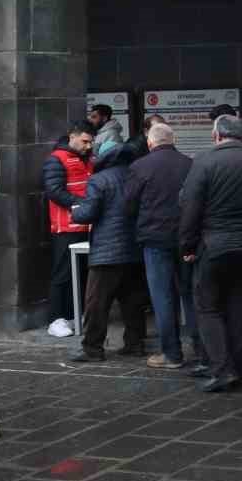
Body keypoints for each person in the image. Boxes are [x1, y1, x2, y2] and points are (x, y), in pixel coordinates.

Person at [179, 114, 242, 393]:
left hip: (213, 246)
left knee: (208, 307)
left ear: (216, 135)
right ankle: (238, 366)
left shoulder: (204, 162)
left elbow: (190, 207)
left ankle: (222, 368)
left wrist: (188, 246)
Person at [125, 122, 200, 371]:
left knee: (162, 296)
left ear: (150, 142)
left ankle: (172, 353)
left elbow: (129, 204)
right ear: (173, 139)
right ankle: (202, 351)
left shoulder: (140, 166)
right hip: (187, 240)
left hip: (154, 239)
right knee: (191, 295)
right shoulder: (190, 164)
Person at [69, 143, 149, 362]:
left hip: (107, 251)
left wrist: (75, 212)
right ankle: (135, 343)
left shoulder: (100, 180)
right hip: (135, 249)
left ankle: (92, 348)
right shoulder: (137, 177)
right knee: (132, 300)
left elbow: (89, 212)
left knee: (97, 302)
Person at [43, 122, 94, 339]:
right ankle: (56, 318)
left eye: (91, 141)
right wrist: (83, 204)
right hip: (65, 226)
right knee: (62, 272)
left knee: (81, 271)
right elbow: (54, 191)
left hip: (86, 223)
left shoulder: (88, 159)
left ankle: (75, 314)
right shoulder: (57, 159)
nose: (88, 145)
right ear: (72, 137)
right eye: (85, 141)